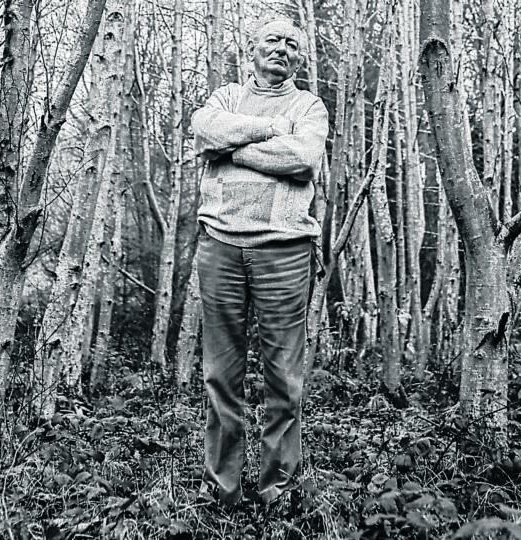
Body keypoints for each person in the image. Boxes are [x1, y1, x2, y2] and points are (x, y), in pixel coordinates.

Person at [189, 17, 329, 506]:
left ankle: (276, 492)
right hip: (221, 247)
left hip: (285, 250)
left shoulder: (309, 106)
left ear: (301, 59)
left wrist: (233, 149)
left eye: (293, 44)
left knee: (283, 378)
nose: (282, 49)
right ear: (252, 48)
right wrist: (271, 129)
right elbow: (205, 131)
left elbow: (303, 160)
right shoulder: (225, 96)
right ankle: (221, 490)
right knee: (220, 374)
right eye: (273, 39)